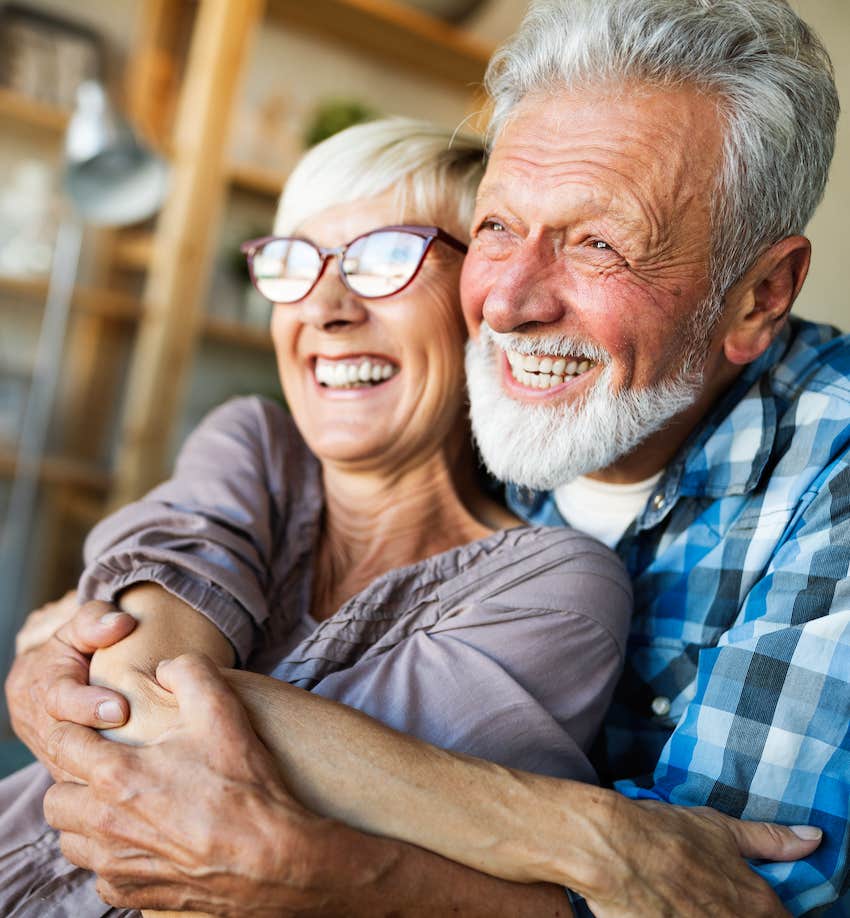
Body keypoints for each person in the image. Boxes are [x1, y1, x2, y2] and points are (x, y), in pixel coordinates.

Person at [5, 0, 848, 914]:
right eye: (496, 227)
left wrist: (339, 873)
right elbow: (133, 659)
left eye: (600, 242)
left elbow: (729, 900)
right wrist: (586, 831)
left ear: (760, 295)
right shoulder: (448, 427)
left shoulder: (804, 482)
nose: (510, 302)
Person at [0, 119, 634, 915]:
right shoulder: (254, 443)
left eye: (385, 259)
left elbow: (258, 830)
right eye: (293, 262)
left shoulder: (555, 587)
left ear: (484, 301)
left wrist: (83, 653)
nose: (326, 307)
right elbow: (125, 698)